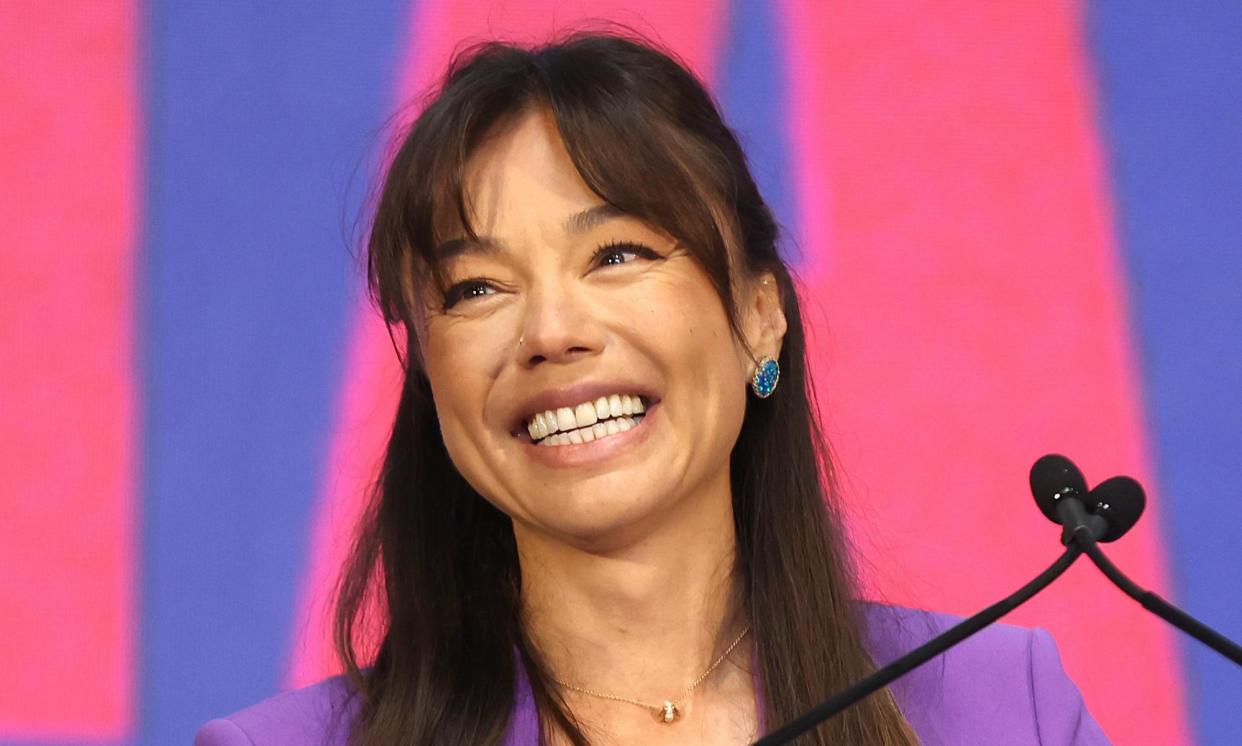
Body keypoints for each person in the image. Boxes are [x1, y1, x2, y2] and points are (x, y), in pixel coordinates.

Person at [195, 32, 1109, 746]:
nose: (552, 331)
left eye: (618, 254)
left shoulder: (999, 707)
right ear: (430, 373)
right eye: (477, 288)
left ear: (757, 315)